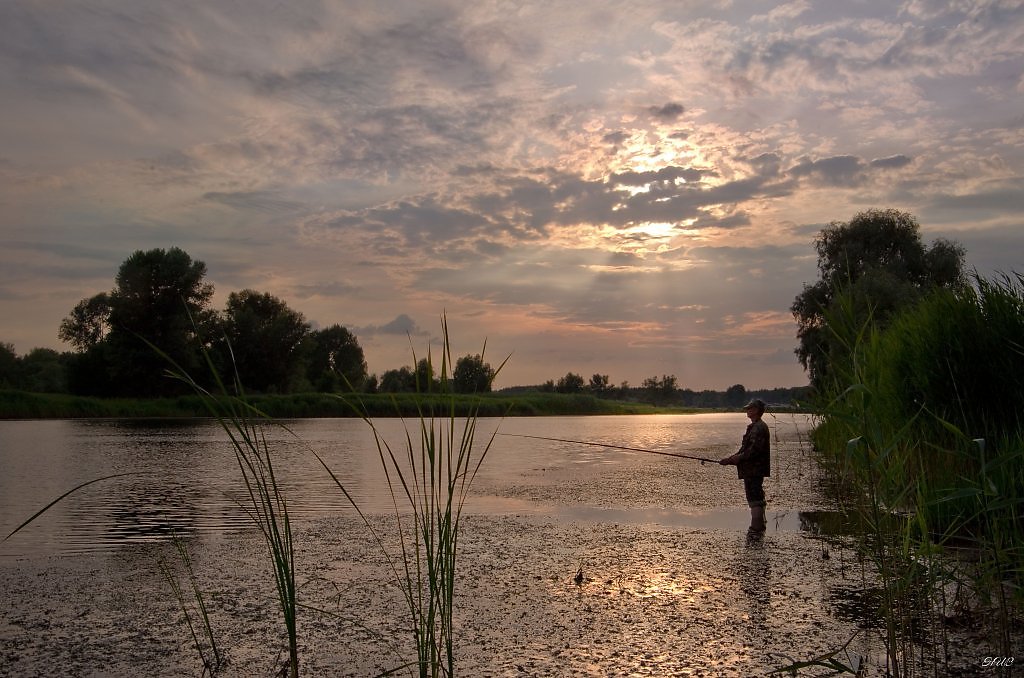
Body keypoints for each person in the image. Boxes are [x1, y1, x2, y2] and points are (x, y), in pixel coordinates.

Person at [720, 398, 771, 532]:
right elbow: (745, 450)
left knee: (754, 498)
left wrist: (736, 458)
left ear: (756, 410)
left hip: (754, 470)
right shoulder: (755, 426)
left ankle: (756, 528)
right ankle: (758, 526)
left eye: (750, 408)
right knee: (755, 496)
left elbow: (753, 451)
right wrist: (731, 459)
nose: (747, 411)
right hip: (752, 469)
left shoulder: (759, 428)